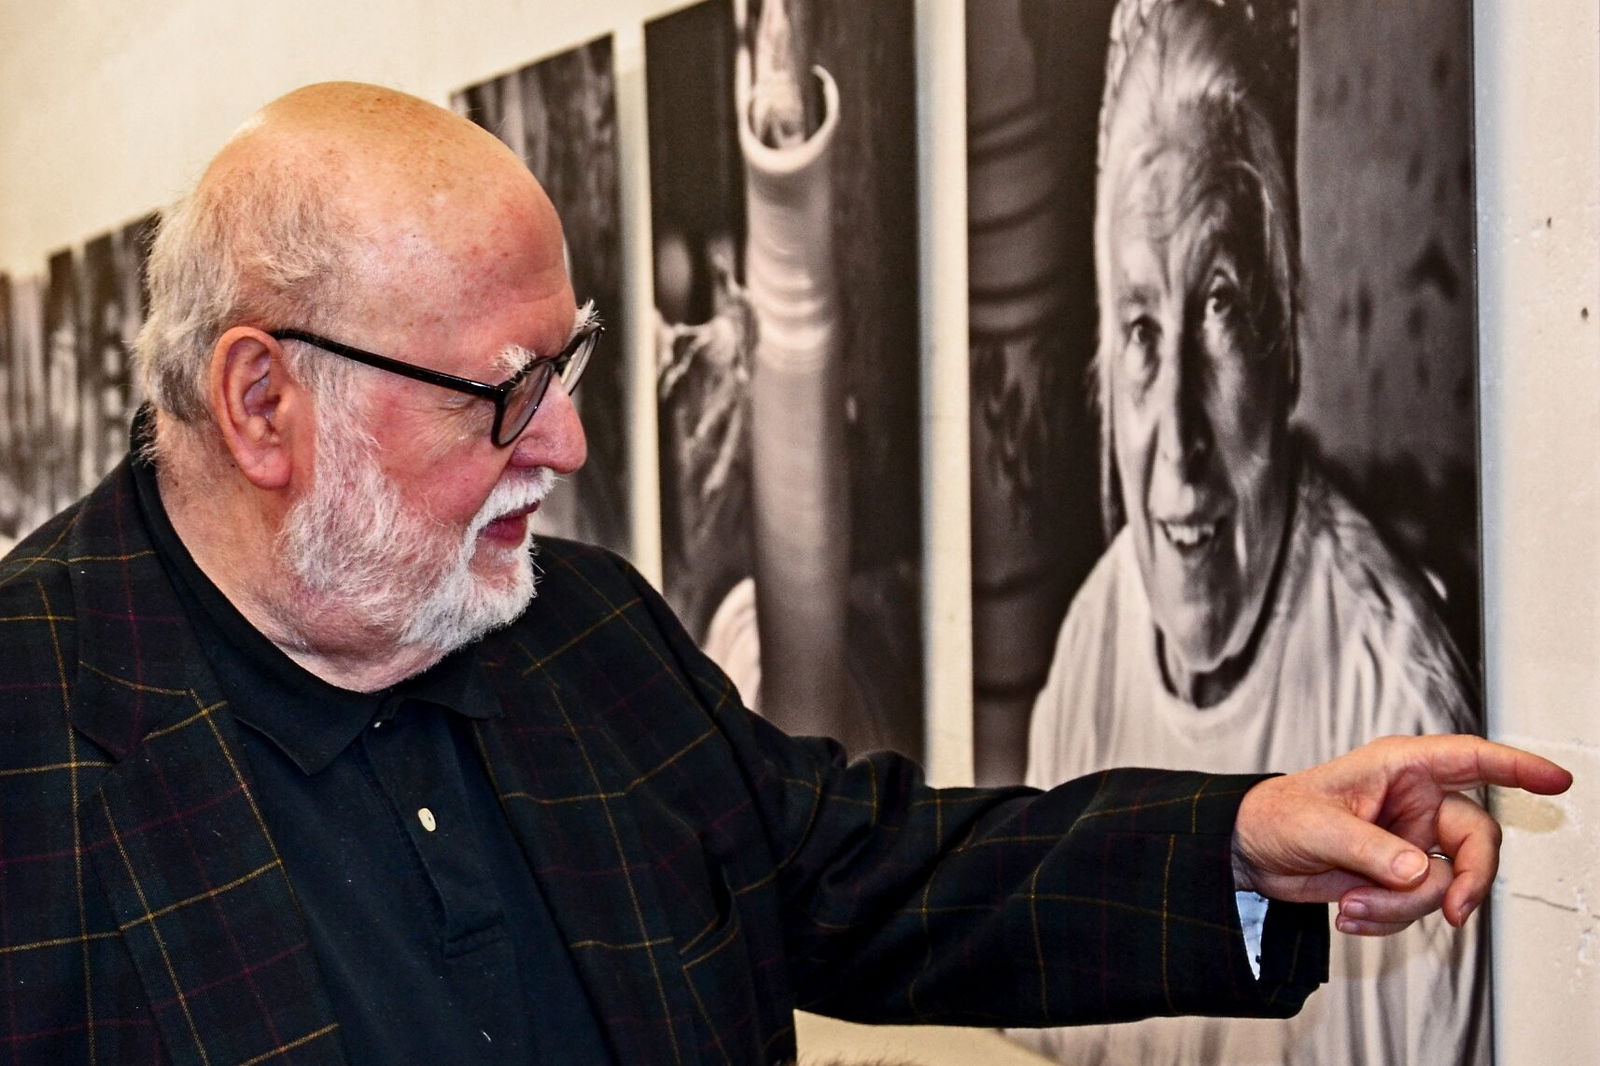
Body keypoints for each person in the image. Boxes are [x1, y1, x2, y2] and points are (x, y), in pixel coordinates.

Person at [0, 81, 1569, 1066]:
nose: (564, 443)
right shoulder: (29, 743)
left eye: (575, 365)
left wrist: (1241, 837)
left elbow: (867, 875)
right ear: (265, 401)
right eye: (500, 391)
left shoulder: (584, 631)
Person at [1023, 2, 1487, 1063]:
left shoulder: (1393, 699)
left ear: (1284, 351)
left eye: (1221, 307)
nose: (1177, 439)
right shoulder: (1090, 648)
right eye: (1139, 328)